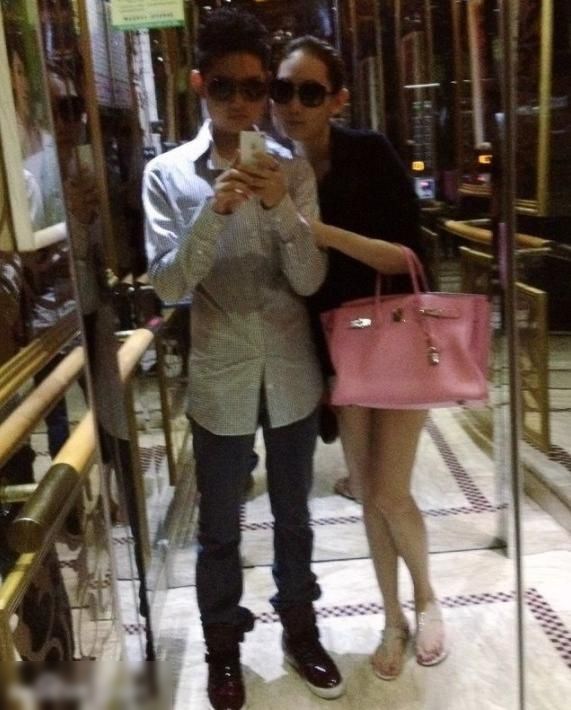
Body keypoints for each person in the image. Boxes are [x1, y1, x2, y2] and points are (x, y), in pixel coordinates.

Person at [142, 10, 344, 709]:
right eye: (223, 85)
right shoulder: (167, 175)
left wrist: (282, 208)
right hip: (220, 373)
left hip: (290, 373)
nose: (240, 100)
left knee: (294, 519)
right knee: (219, 530)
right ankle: (222, 649)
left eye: (255, 87)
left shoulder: (293, 171)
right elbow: (167, 285)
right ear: (199, 84)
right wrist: (215, 211)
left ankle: (301, 631)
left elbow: (311, 281)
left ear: (266, 91)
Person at [272, 36, 448, 680]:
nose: (294, 105)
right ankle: (392, 620)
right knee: (369, 494)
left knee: (391, 490)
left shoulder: (368, 153)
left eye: (310, 92)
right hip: (337, 352)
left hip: (394, 340)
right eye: (284, 90)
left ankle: (427, 599)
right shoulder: (278, 168)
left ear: (337, 99)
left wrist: (314, 230)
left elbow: (405, 256)